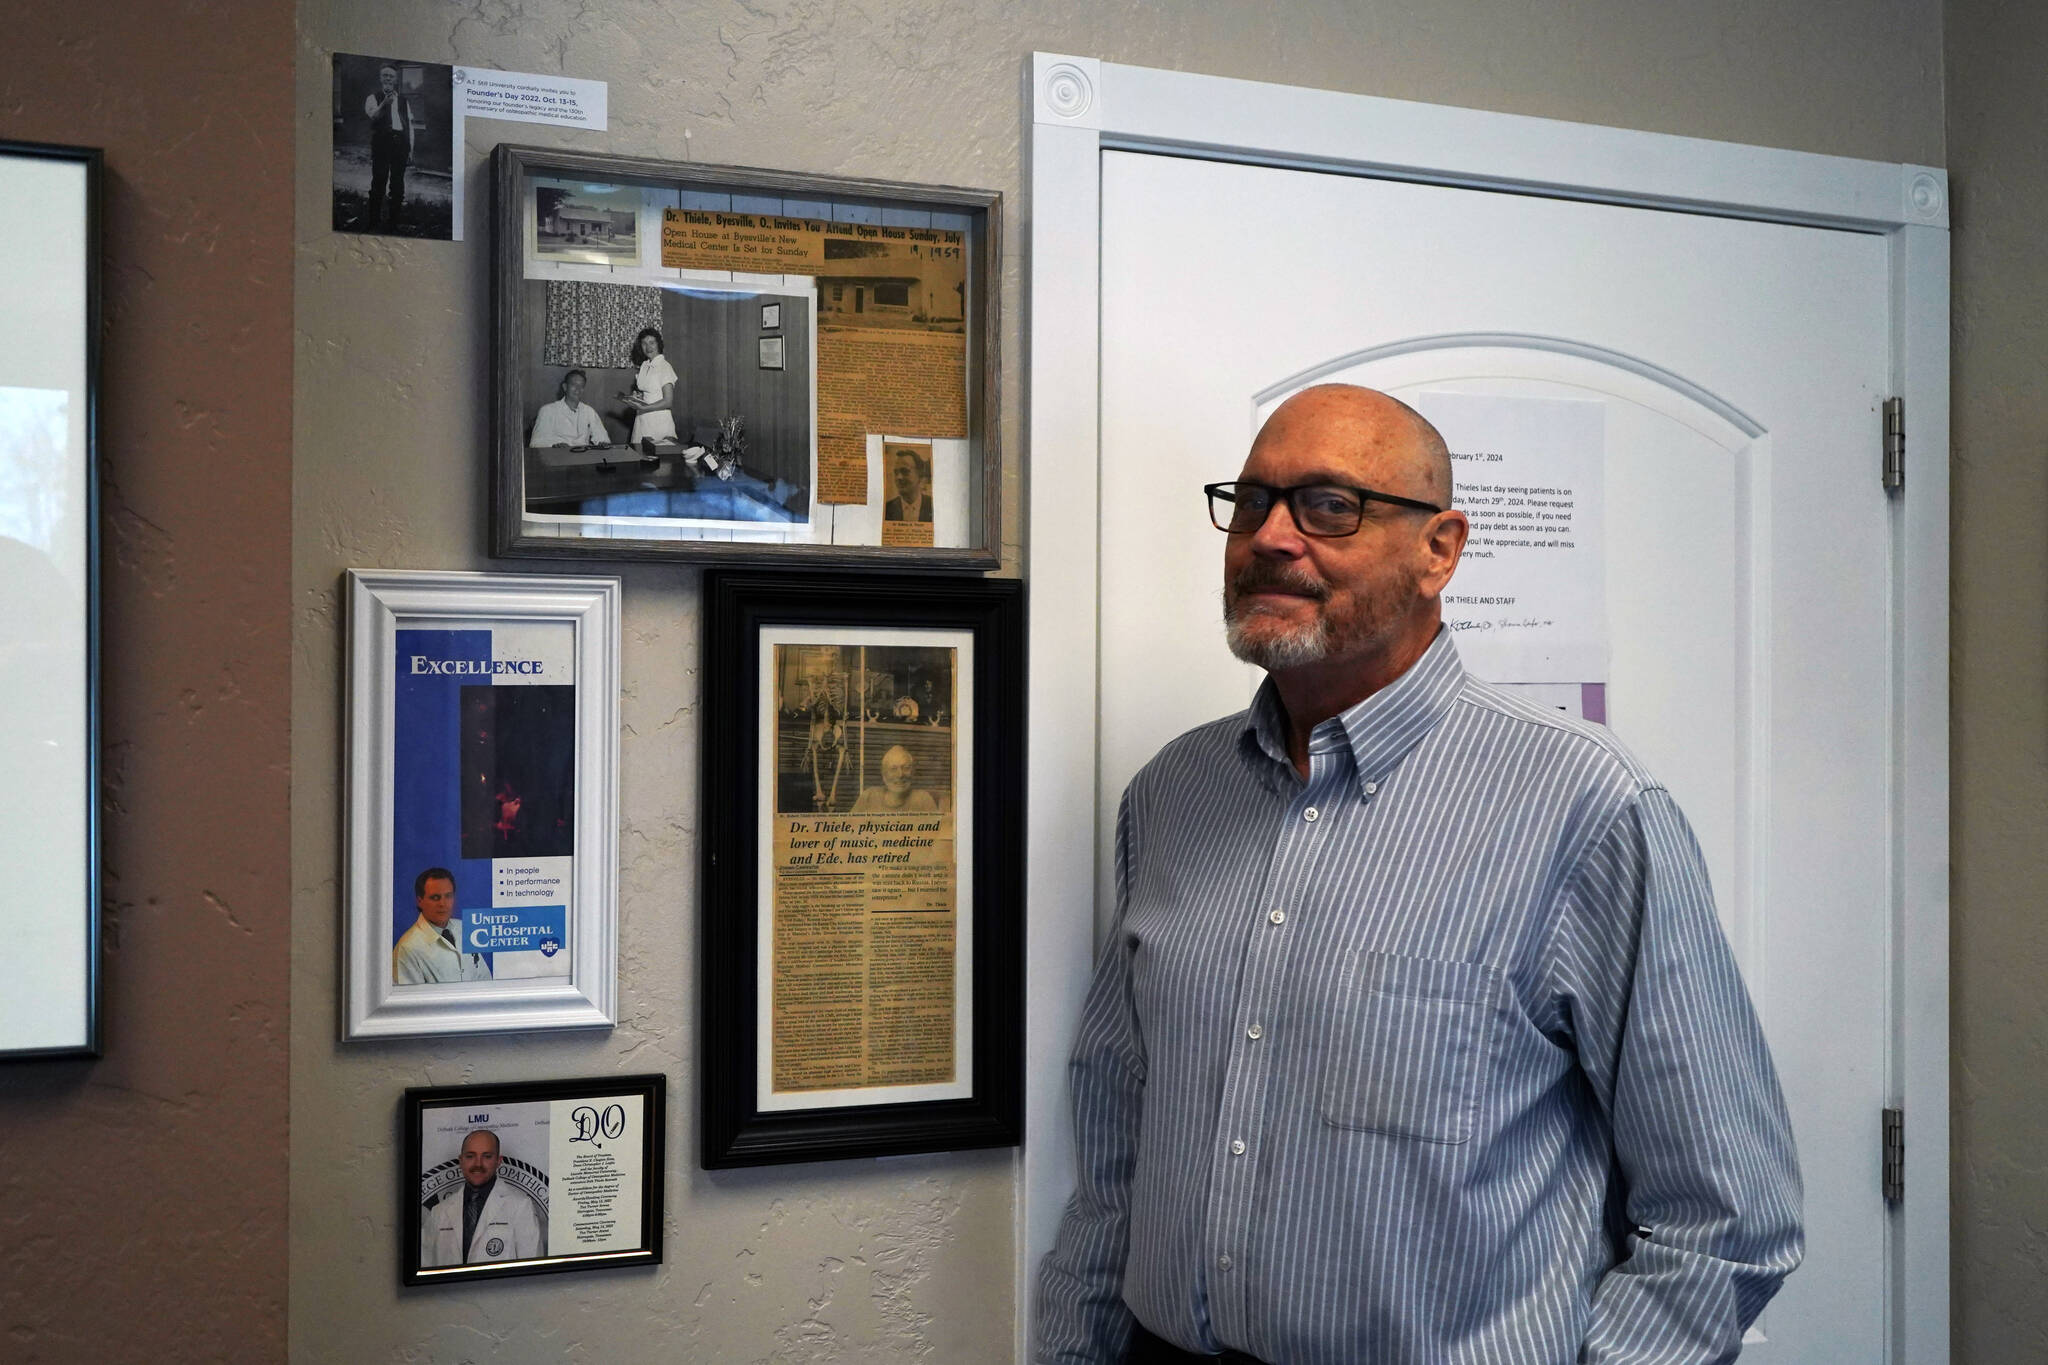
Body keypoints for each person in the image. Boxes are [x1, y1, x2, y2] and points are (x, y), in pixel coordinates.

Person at [1033, 384, 1800, 1365]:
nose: (1269, 536)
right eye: (1252, 501)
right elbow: (1113, 1154)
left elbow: (1726, 1214)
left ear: (1438, 549)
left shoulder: (1581, 807)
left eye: (1326, 506)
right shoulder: (1172, 797)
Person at [420, 1128, 546, 1267]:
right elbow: (426, 1266)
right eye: (470, 1156)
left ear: (498, 1161)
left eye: (487, 1156)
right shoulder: (439, 1212)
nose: (478, 1164)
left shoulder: (521, 1206)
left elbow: (532, 1271)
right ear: (461, 1161)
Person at [391, 867, 491, 985]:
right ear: (420, 901)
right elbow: (411, 1001)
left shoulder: (464, 928)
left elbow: (485, 979)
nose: (443, 904)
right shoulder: (407, 948)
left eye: (448, 896)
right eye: (435, 898)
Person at [361, 63, 414, 232]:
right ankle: (374, 221)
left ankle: (393, 223)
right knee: (379, 181)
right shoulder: (373, 98)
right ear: (380, 78)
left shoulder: (404, 101)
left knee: (397, 184)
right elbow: (373, 117)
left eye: (391, 76)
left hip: (401, 145)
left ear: (396, 80)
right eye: (385, 75)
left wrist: (411, 148)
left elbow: (410, 125)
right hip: (382, 144)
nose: (388, 79)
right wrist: (384, 103)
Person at [621, 327, 677, 448]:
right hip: (642, 419)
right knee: (640, 456)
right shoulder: (645, 365)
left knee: (659, 461)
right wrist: (637, 397)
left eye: (652, 342)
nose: (648, 347)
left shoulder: (664, 367)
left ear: (659, 344)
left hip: (659, 421)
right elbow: (650, 392)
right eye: (644, 343)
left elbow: (668, 401)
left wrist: (644, 407)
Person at [528, 369, 611, 448]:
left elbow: (603, 438)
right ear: (565, 387)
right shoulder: (548, 410)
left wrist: (602, 443)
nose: (578, 389)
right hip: (557, 457)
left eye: (581, 386)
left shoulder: (589, 411)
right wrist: (554, 445)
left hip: (583, 458)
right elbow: (535, 442)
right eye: (574, 385)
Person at [851, 744, 940, 813]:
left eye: (906, 768)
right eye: (893, 769)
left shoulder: (923, 799)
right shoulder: (869, 797)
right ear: (884, 774)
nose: (900, 774)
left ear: (913, 772)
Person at [882, 447, 933, 522]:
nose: (899, 477)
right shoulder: (887, 509)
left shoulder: (932, 505)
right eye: (896, 473)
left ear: (920, 475)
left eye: (905, 471)